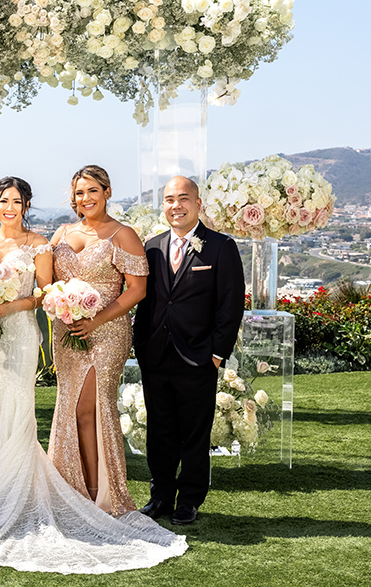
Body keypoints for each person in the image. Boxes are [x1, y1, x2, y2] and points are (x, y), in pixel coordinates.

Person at [0, 177, 187, 574]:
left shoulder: (41, 244)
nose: (9, 207)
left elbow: (46, 293)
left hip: (18, 335)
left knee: (19, 408)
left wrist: (13, 305)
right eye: (3, 201)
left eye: (17, 201)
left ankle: (28, 492)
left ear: (27, 205)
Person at [133, 176, 245, 525]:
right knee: (160, 431)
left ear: (198, 204)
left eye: (183, 198)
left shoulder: (220, 247)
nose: (175, 205)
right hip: (156, 356)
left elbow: (231, 305)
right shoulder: (150, 247)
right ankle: (161, 496)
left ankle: (190, 499)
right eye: (169, 199)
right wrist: (141, 345)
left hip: (198, 357)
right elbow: (146, 300)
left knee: (195, 433)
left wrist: (216, 353)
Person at [47, 165, 148, 515]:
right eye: (79, 192)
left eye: (92, 190)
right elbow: (46, 282)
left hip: (107, 332)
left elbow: (137, 289)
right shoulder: (61, 233)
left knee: (88, 408)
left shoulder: (122, 234)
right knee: (69, 408)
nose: (86, 198)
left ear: (107, 192)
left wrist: (97, 320)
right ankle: (69, 491)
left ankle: (99, 495)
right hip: (67, 332)